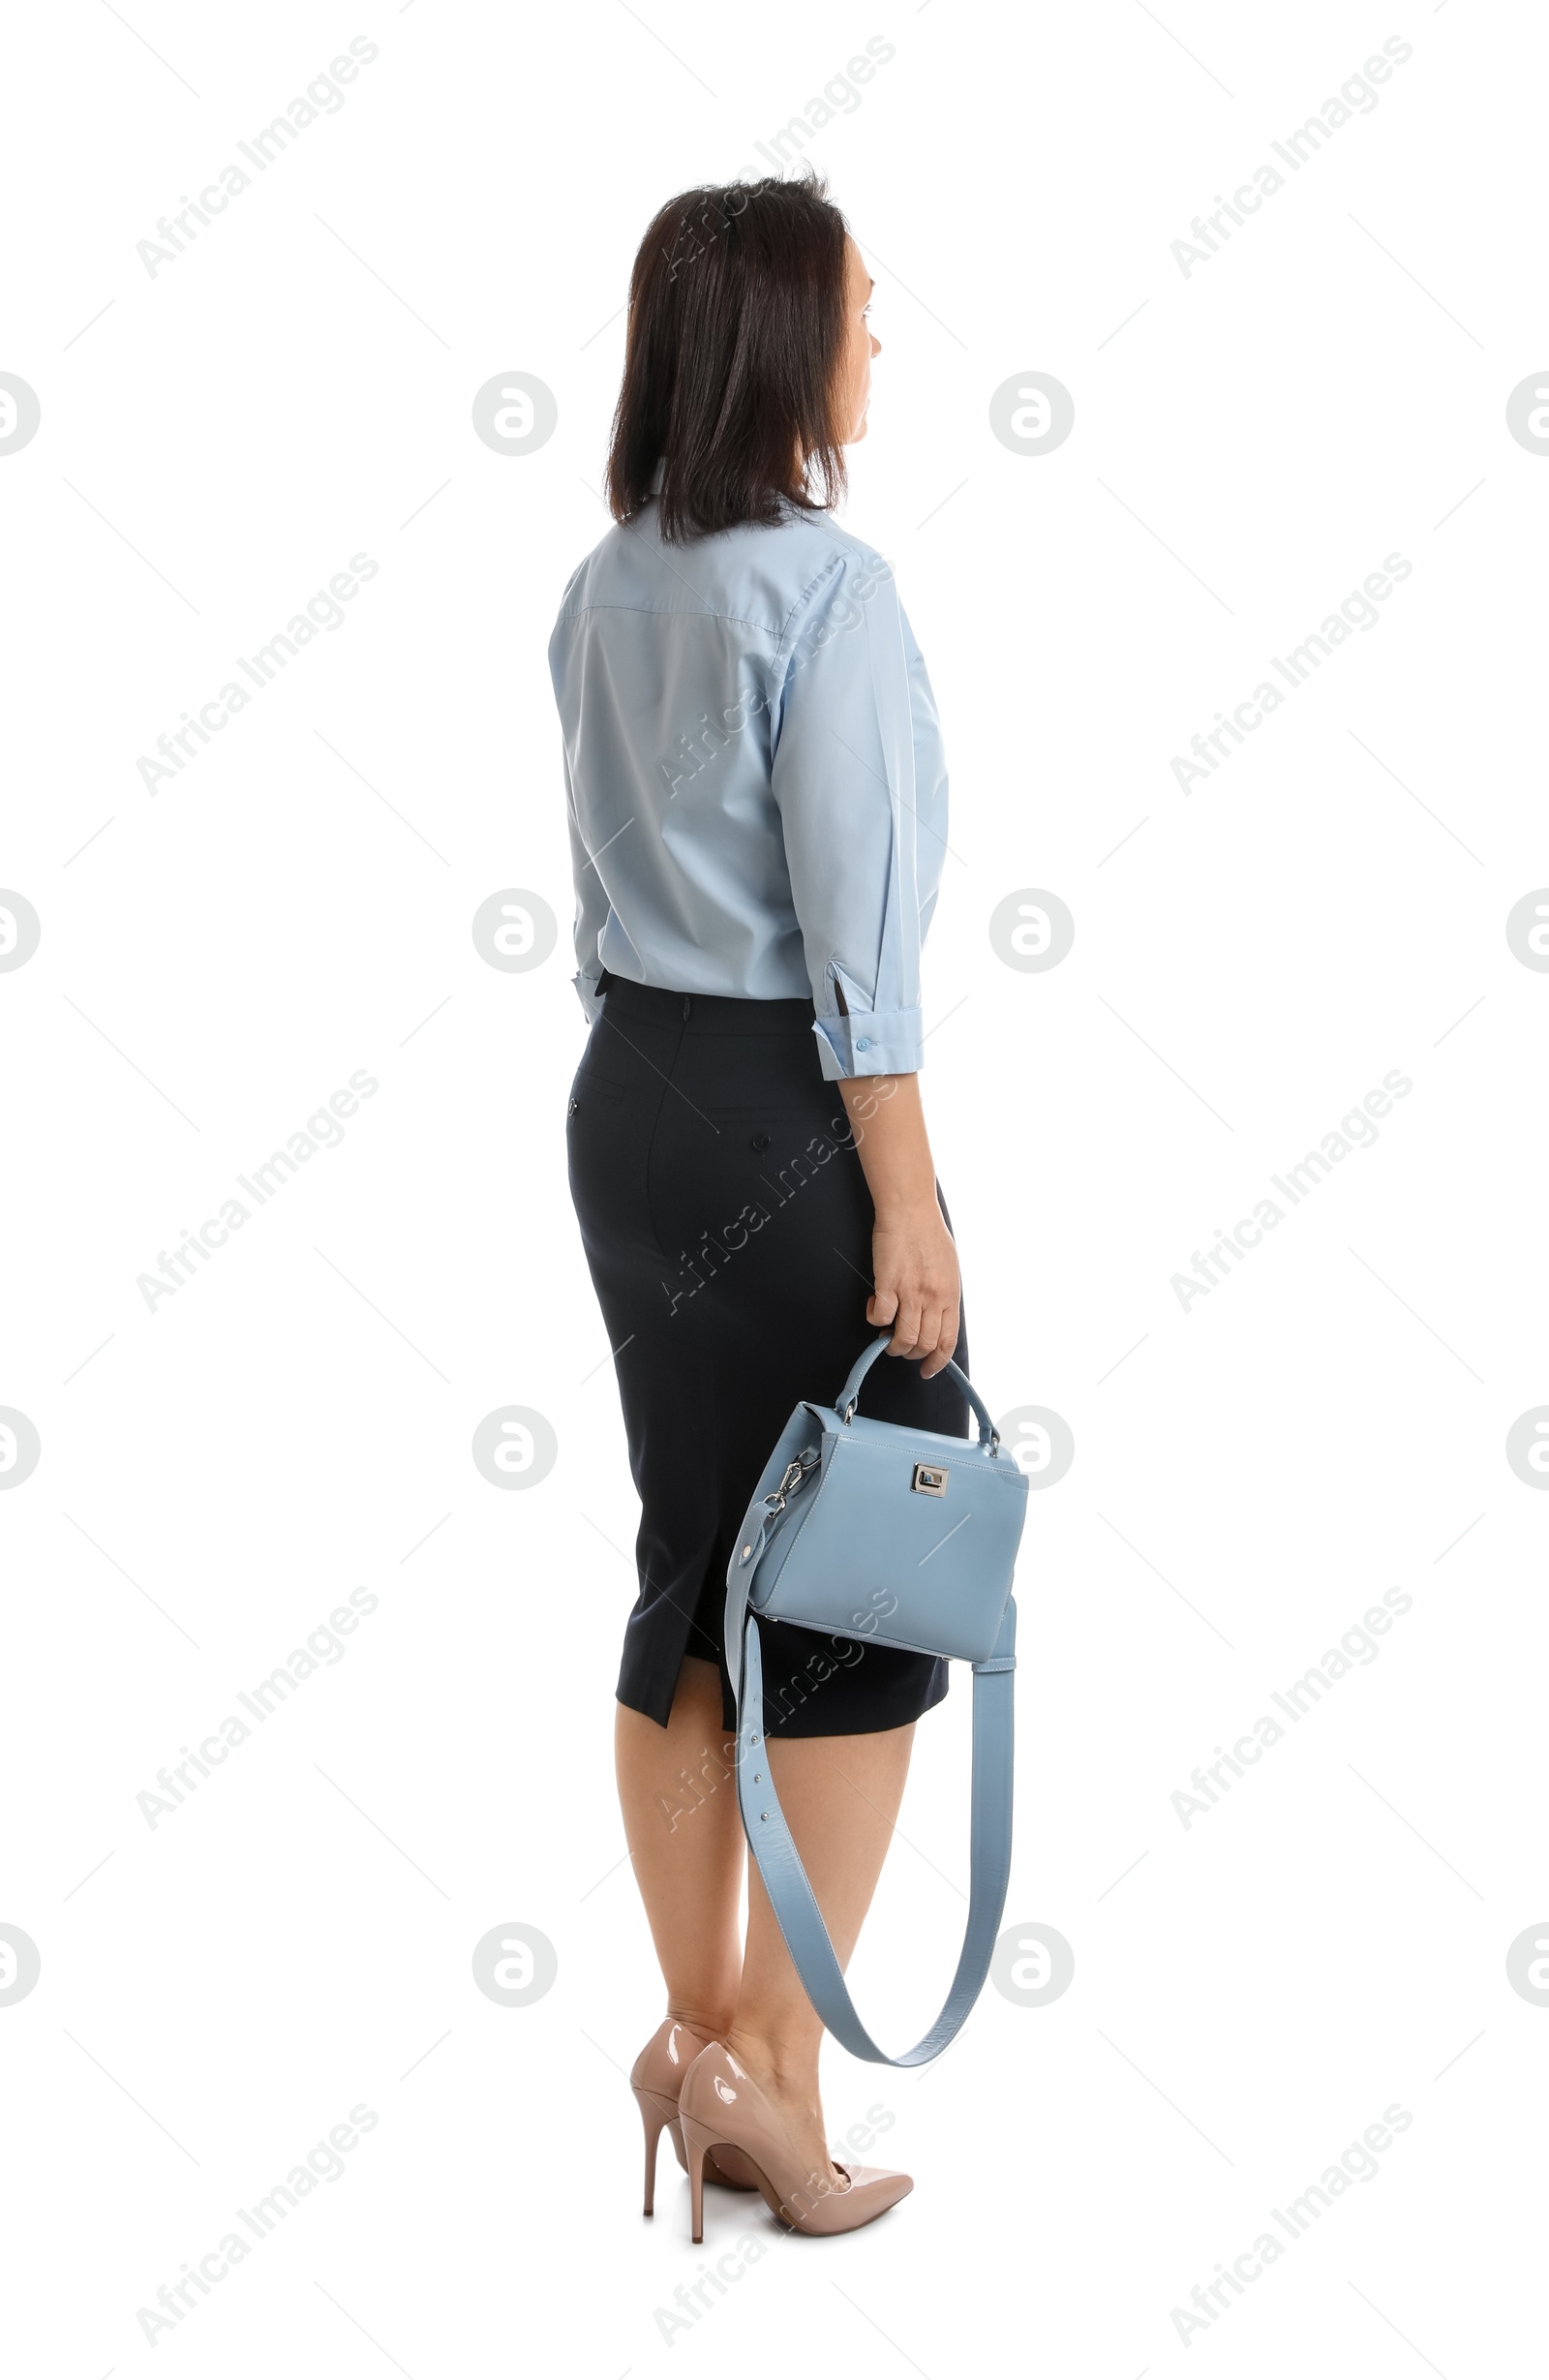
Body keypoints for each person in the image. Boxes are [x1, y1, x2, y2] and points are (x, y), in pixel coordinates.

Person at [549, 169, 964, 2239]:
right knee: (864, 1576)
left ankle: (691, 2027)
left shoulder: (606, 577)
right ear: (793, 341)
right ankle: (780, 2085)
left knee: (686, 1556)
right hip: (783, 1113)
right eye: (865, 309)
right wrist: (910, 1199)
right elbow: (853, 946)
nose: (880, 340)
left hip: (627, 1092)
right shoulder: (828, 590)